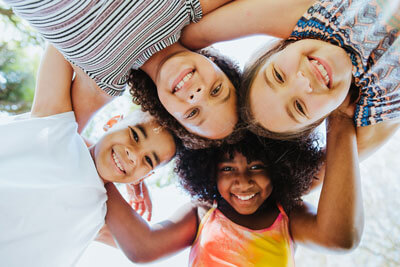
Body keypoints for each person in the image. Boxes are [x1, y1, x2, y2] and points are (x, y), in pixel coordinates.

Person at [103, 111, 363, 266]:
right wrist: (107, 177)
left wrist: (339, 119)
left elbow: (339, 237)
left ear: (278, 169)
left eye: (257, 167)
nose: (243, 181)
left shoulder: (288, 215)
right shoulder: (203, 213)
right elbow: (143, 247)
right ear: (209, 172)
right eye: (227, 169)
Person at [0, 44, 178, 267]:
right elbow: (58, 40)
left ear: (144, 176)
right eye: (134, 135)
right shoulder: (57, 129)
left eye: (148, 161)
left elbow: (143, 246)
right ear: (111, 123)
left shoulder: (101, 213)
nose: (134, 156)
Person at [4, 0, 242, 146]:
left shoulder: (103, 83)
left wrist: (111, 177)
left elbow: (50, 137)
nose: (197, 96)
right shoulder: (189, 5)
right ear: (215, 63)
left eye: (192, 113)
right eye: (217, 90)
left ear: (168, 114)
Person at [181, 0, 400, 159]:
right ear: (322, 118)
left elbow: (191, 35)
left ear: (280, 48)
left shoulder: (314, 17)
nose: (303, 82)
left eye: (277, 76)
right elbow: (318, 177)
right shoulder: (379, 102)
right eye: (299, 107)